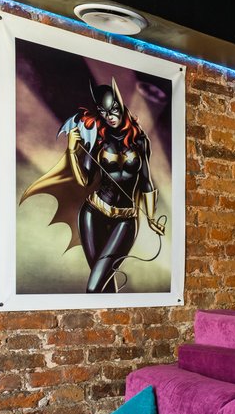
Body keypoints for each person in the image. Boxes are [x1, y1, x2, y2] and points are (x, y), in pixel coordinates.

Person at [21, 78, 166, 293]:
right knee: (103, 286)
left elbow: (145, 181)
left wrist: (152, 218)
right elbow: (84, 181)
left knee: (95, 286)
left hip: (125, 220)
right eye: (104, 112)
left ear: (121, 106)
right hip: (93, 214)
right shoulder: (97, 140)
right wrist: (72, 151)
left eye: (114, 110)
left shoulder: (140, 141)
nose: (110, 117)